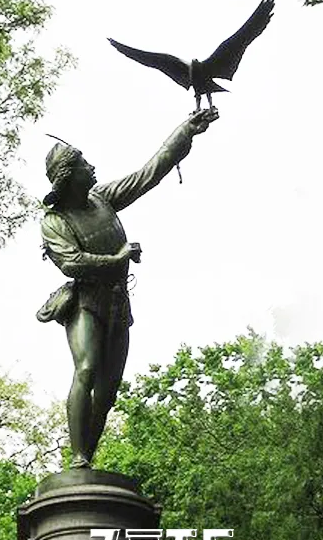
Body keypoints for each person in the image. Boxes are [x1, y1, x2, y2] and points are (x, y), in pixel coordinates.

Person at [39, 109, 218, 468]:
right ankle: (77, 461)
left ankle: (86, 460)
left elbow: (147, 174)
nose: (92, 167)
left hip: (118, 305)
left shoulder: (102, 198)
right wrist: (118, 257)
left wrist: (185, 131)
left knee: (106, 394)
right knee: (87, 370)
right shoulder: (55, 222)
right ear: (69, 176)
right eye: (84, 163)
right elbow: (71, 263)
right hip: (85, 304)